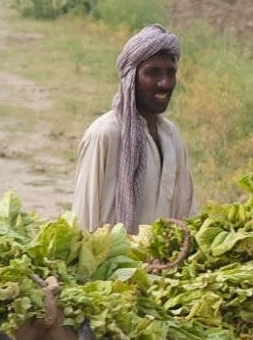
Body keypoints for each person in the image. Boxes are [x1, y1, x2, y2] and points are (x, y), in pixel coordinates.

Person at [71, 24, 195, 232]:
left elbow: (187, 213)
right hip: (111, 253)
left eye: (170, 72)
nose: (165, 83)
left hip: (164, 254)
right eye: (153, 73)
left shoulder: (171, 136)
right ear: (130, 78)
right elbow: (83, 219)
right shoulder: (105, 134)